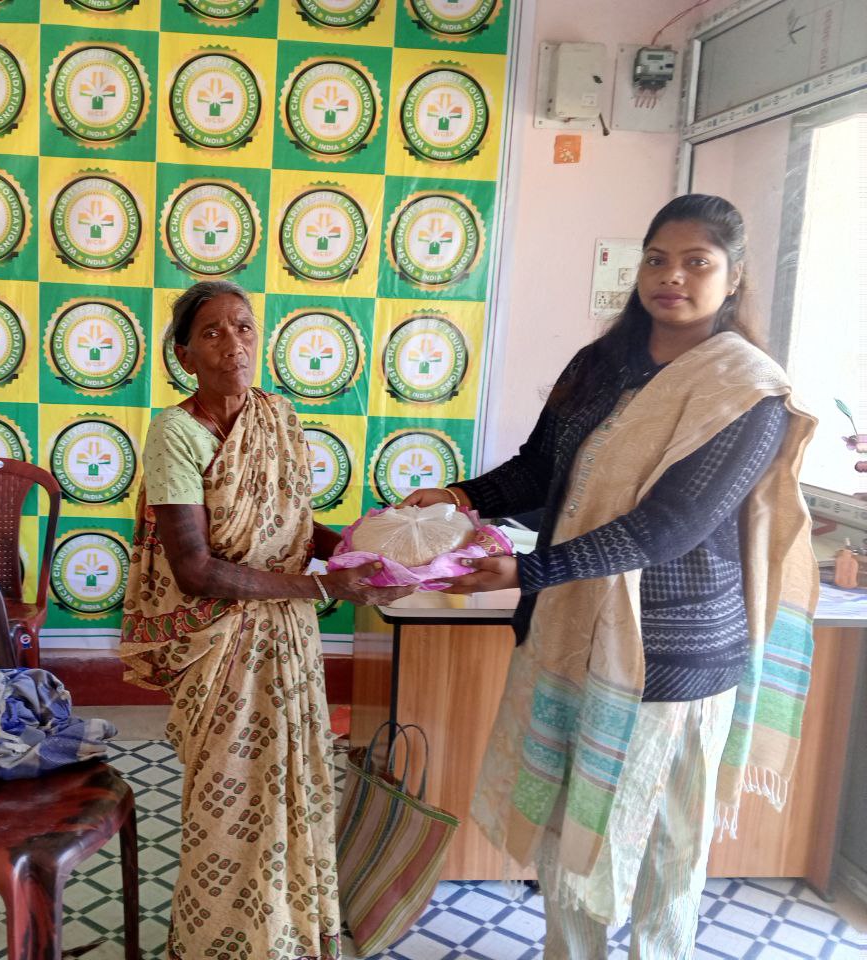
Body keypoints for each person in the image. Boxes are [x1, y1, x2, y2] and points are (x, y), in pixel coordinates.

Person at [403, 194, 819, 959]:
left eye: (697, 262)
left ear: (734, 278)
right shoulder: (600, 365)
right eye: (657, 259)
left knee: (666, 848)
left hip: (674, 660)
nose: (671, 276)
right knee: (570, 832)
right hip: (570, 638)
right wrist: (463, 496)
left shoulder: (747, 391)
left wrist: (530, 570)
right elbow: (540, 466)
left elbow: (670, 527)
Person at [120, 280, 413, 960]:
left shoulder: (277, 417)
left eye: (244, 327)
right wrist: (322, 587)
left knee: (294, 787)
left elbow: (296, 528)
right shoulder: (175, 434)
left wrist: (365, 555)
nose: (233, 343)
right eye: (213, 332)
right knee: (228, 801)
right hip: (222, 647)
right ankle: (218, 944)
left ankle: (285, 937)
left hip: (289, 637)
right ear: (185, 356)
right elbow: (194, 569)